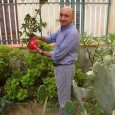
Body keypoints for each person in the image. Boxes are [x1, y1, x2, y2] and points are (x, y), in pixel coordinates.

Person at [29, 6, 80, 115]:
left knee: (64, 100)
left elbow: (57, 55)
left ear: (73, 18)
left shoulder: (72, 33)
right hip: (60, 68)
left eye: (66, 16)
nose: (62, 18)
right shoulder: (63, 29)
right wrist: (37, 37)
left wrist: (41, 52)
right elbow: (50, 38)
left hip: (65, 69)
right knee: (63, 97)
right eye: (61, 15)